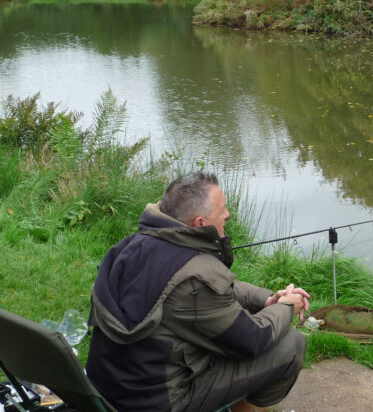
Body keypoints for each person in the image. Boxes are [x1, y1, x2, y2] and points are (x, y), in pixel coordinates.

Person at [85, 172, 310, 412]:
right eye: (222, 210)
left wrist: (266, 299)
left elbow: (216, 287)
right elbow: (253, 339)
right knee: (290, 344)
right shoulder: (195, 279)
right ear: (200, 223)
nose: (228, 215)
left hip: (111, 387)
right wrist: (286, 306)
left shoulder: (133, 246)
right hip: (159, 402)